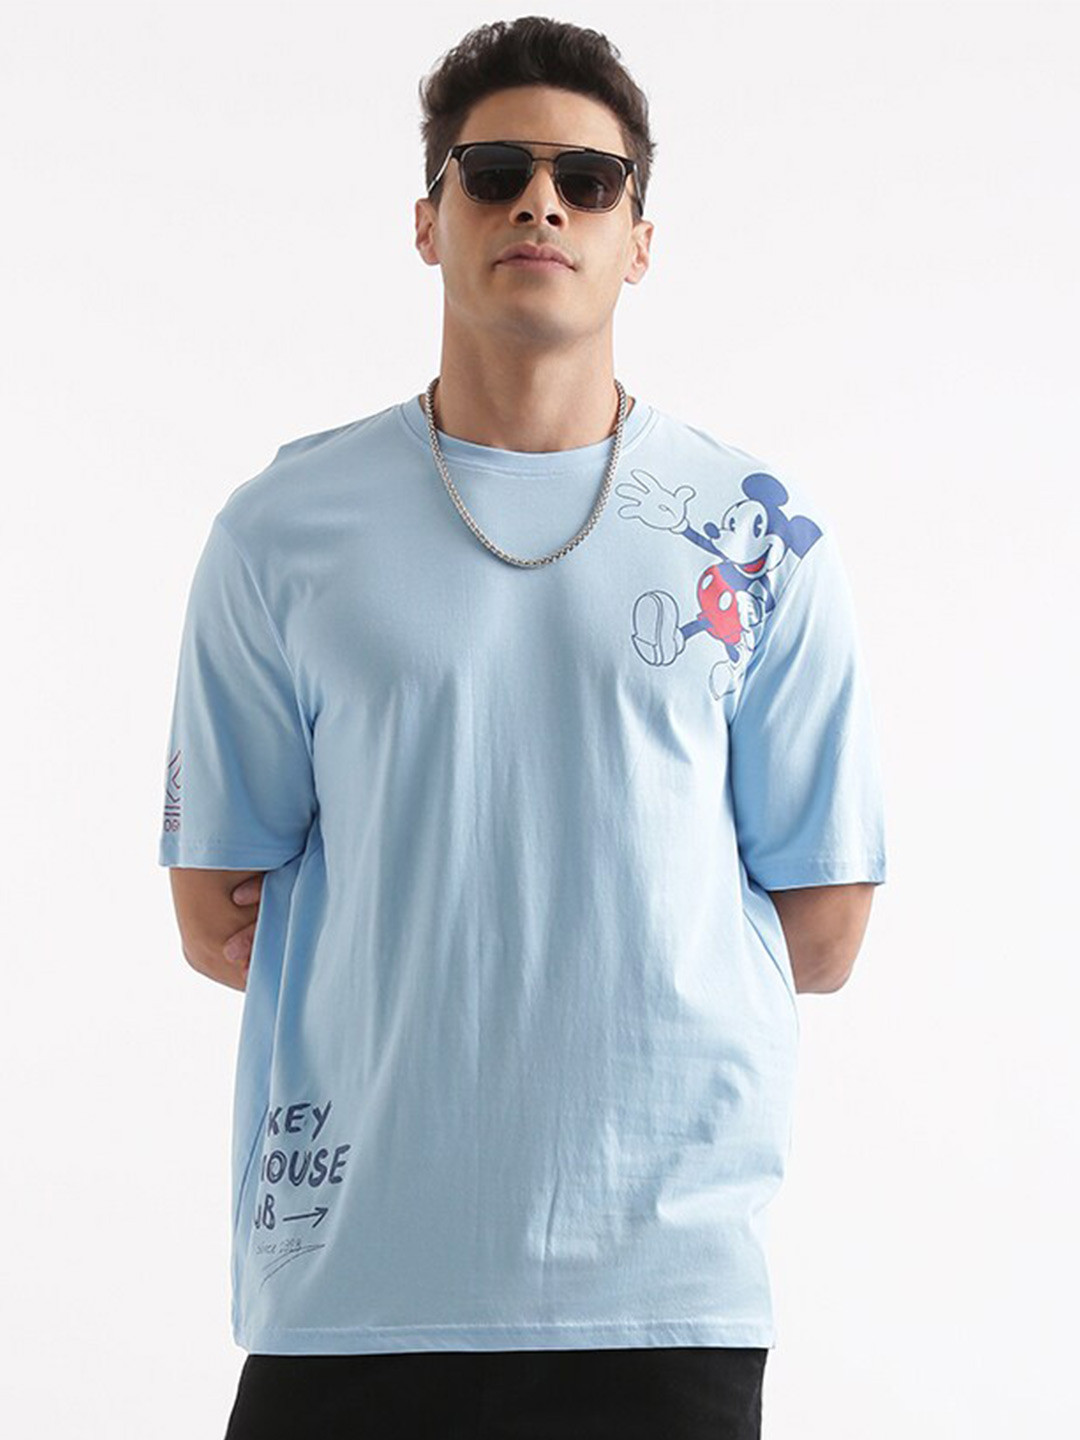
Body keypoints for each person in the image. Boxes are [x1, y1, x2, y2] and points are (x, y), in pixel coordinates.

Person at [158, 17, 887, 1440]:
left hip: (659, 1298)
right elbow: (213, 910)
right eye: (494, 173)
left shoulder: (759, 540)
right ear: (428, 221)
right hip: (354, 1289)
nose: (540, 203)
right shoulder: (281, 532)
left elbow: (828, 926)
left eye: (586, 180)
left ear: (639, 239)